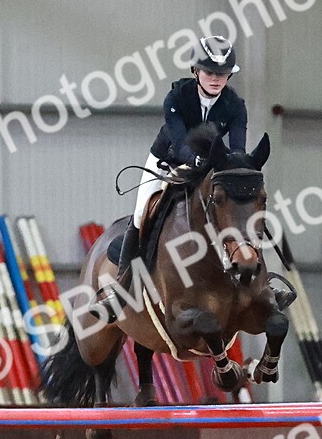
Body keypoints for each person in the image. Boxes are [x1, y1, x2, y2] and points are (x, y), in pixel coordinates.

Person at [93, 35, 247, 314]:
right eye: (210, 72)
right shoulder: (176, 98)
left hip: (210, 168)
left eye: (222, 74)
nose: (216, 79)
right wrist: (200, 161)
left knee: (239, 210)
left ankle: (253, 284)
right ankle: (121, 285)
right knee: (141, 215)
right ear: (195, 71)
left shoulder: (235, 106)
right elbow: (179, 143)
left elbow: (237, 150)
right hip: (167, 162)